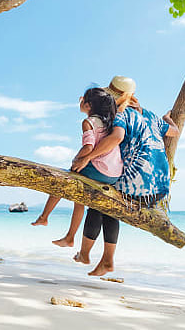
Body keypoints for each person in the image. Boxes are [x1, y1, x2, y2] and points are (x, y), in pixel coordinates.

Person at [71, 76, 179, 276]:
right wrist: (168, 119)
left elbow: (117, 137)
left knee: (97, 203)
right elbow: (175, 131)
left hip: (135, 189)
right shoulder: (151, 116)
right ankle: (105, 261)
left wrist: (87, 158)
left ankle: (86, 254)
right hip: (159, 190)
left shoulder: (121, 114)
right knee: (108, 204)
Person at [31, 87, 122, 251]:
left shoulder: (88, 122)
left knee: (62, 181)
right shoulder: (109, 121)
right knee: (79, 197)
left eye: (83, 99)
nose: (80, 100)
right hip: (114, 174)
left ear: (88, 105)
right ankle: (69, 237)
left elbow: (88, 147)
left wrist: (76, 159)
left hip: (99, 169)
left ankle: (44, 217)